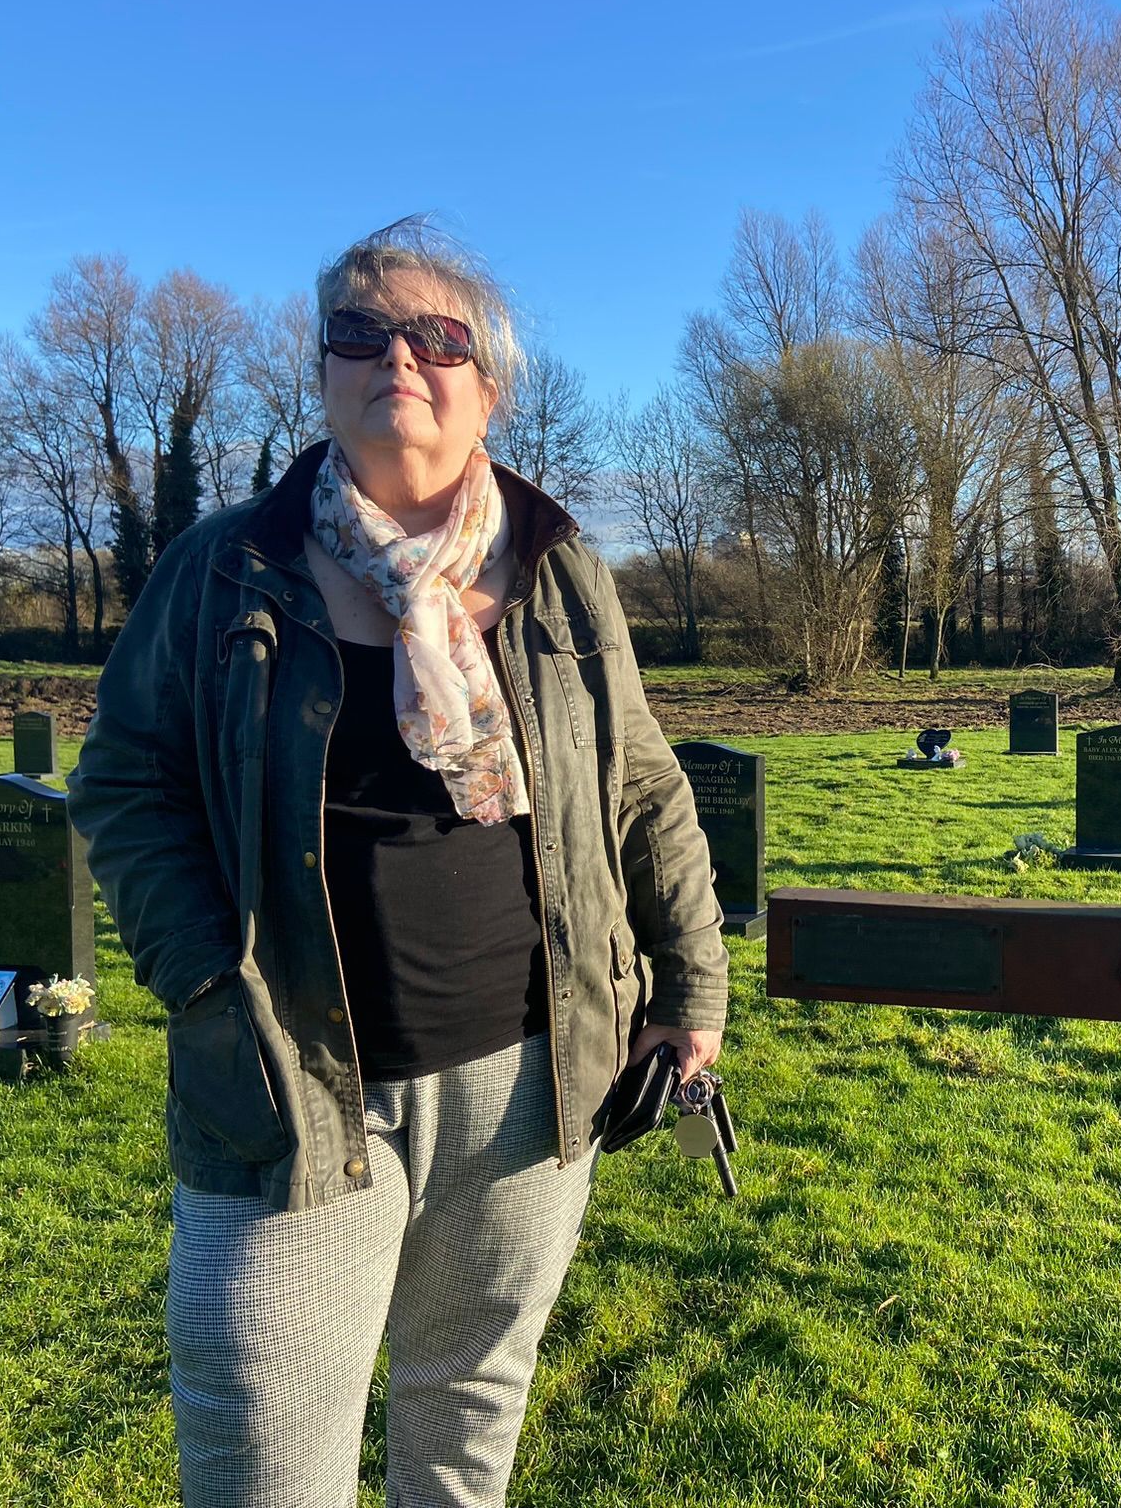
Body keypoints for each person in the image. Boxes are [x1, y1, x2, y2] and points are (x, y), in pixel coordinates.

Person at [67, 217, 729, 1508]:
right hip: (290, 1086)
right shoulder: (225, 570)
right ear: (323, 372)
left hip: (534, 1085)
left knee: (466, 1431)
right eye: (362, 332)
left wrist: (692, 989)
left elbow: (645, 786)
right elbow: (125, 782)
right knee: (263, 1459)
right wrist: (205, 981)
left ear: (491, 388)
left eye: (439, 336)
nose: (400, 357)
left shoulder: (559, 572)